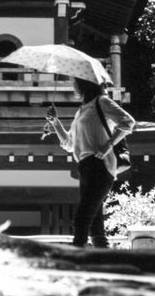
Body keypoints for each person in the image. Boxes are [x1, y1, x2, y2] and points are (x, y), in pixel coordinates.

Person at [44, 76, 136, 248]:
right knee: (95, 225)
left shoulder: (102, 102)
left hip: (100, 165)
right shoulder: (81, 112)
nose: (72, 85)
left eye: (74, 82)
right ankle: (102, 262)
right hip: (85, 167)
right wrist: (55, 122)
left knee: (82, 218)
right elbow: (70, 144)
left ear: (84, 84)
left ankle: (78, 259)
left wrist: (108, 145)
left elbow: (128, 122)